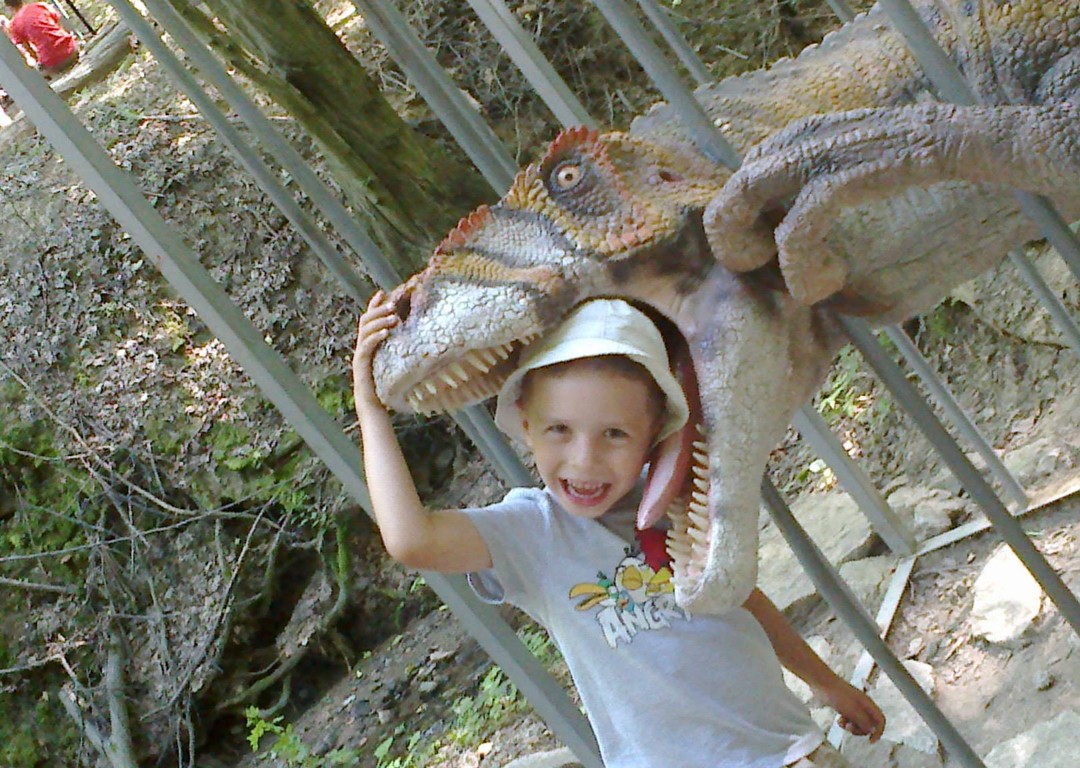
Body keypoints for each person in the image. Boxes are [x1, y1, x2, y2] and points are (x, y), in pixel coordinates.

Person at [353, 294, 885, 768]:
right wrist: (369, 408)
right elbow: (411, 540)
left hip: (786, 748)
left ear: (654, 434)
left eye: (614, 434)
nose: (585, 460)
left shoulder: (679, 499)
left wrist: (826, 683)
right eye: (559, 430)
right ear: (526, 424)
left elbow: (740, 598)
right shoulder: (532, 534)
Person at [3, 0, 79, 78]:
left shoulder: (14, 25)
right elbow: (58, 24)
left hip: (54, 64)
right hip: (72, 50)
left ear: (9, 8)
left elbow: (28, 49)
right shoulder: (40, 6)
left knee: (38, 73)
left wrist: (39, 61)